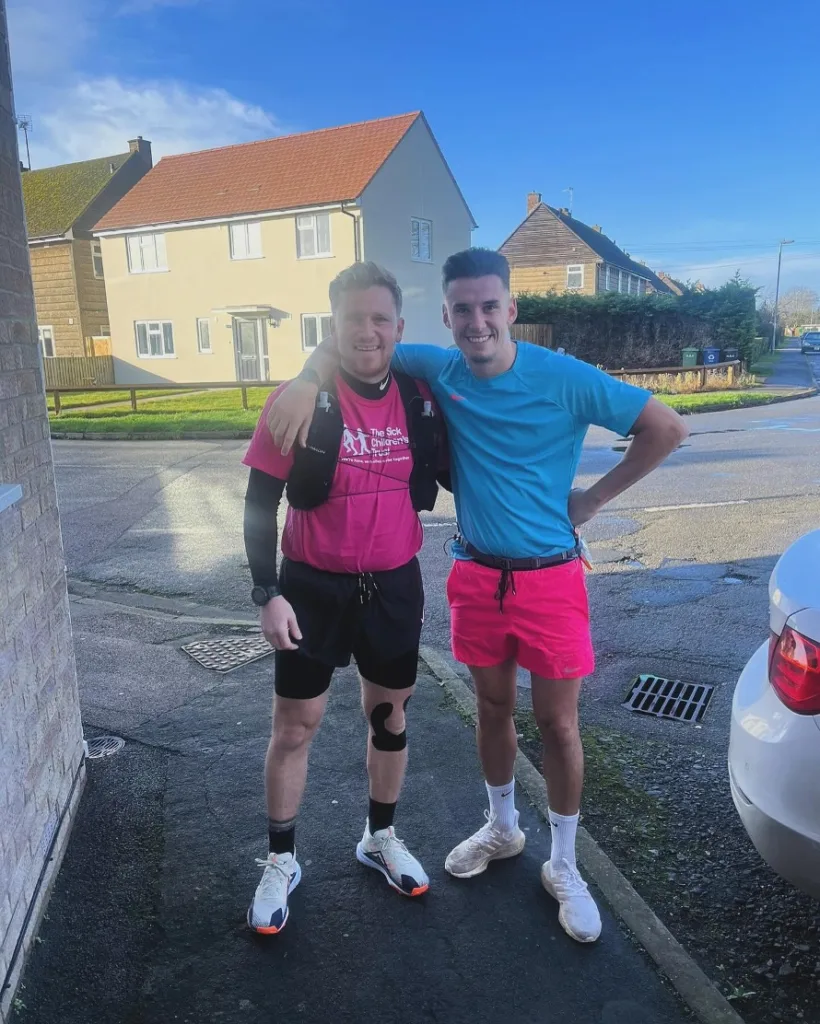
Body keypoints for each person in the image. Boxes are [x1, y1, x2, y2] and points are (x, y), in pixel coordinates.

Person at [268, 248, 688, 944]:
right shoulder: (441, 368)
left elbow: (667, 427)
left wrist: (590, 501)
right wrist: (301, 380)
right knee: (492, 708)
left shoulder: (564, 378)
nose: (477, 322)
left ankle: (564, 864)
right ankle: (503, 828)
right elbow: (363, 334)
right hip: (475, 575)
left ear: (511, 309)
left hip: (551, 576)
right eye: (462, 310)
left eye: (489, 306)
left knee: (556, 726)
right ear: (446, 316)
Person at [243, 261, 446, 934]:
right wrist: (267, 593)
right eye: (354, 318)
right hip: (310, 588)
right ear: (334, 325)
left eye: (379, 318)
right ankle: (280, 860)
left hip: (393, 586)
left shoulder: (421, 398)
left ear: (399, 326)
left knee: (389, 719)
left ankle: (379, 838)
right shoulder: (299, 398)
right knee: (295, 726)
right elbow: (258, 503)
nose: (368, 330)